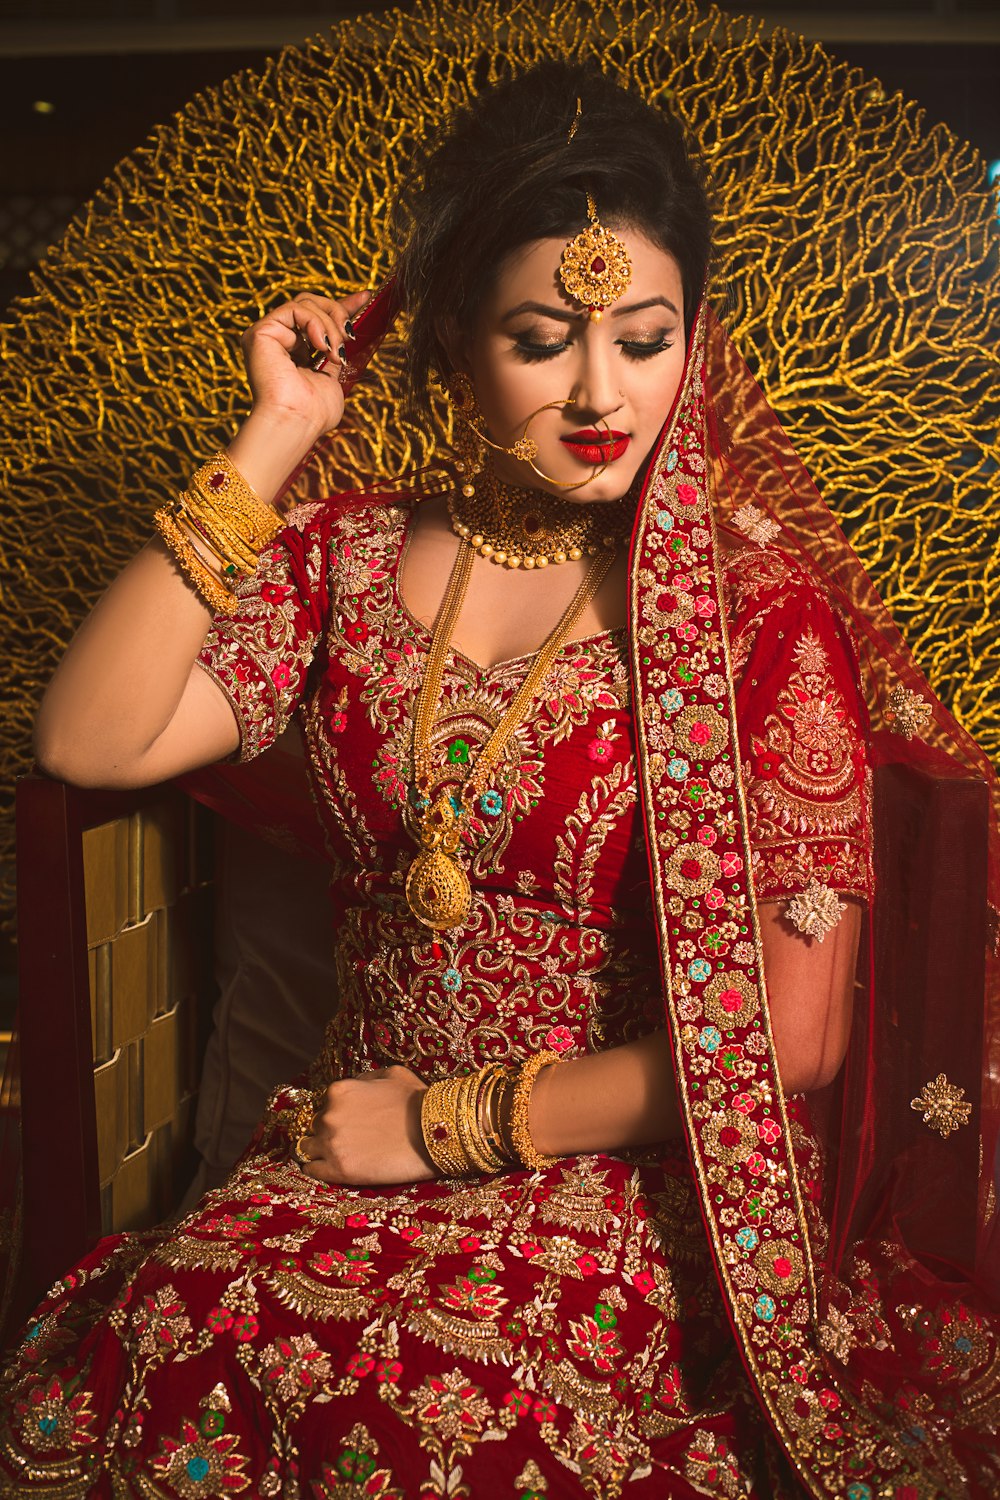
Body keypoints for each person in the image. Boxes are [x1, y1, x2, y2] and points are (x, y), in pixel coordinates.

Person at [1, 59, 997, 1500]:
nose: (603, 393)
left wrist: (444, 1126)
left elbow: (792, 1044)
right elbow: (89, 741)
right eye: (544, 338)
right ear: (458, 340)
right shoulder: (344, 560)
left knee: (461, 1409)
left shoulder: (751, 615)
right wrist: (276, 436)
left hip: (633, 1183)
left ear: (694, 345)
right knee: (192, 1322)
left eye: (645, 339)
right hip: (341, 1151)